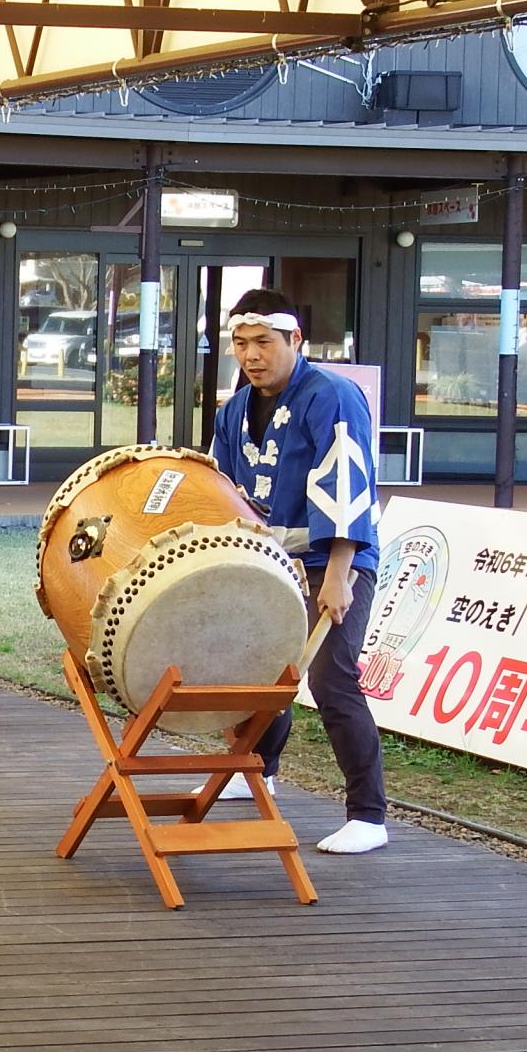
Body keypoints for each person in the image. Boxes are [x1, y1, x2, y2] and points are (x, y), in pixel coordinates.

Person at [209, 287, 388, 855]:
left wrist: (339, 572)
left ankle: (369, 814)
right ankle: (257, 771)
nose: (252, 354)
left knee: (331, 677)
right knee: (256, 668)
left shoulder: (333, 394)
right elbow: (224, 491)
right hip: (269, 558)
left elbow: (347, 484)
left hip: (335, 556)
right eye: (241, 343)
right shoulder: (233, 409)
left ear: (295, 340)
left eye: (264, 341)